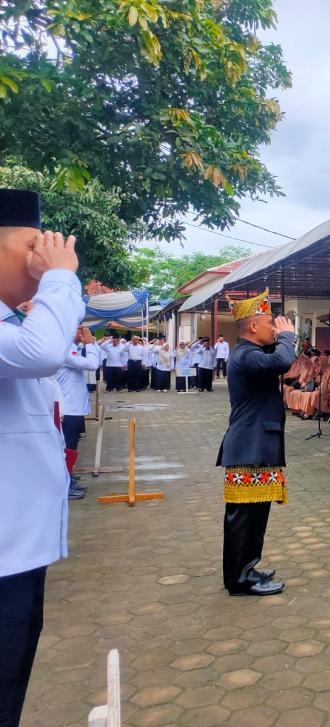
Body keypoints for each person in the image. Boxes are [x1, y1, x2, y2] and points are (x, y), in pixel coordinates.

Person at [0, 189, 83, 727]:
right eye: (33, 246)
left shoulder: (12, 324)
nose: (41, 260)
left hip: (19, 549)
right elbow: (46, 353)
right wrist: (59, 277)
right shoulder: (24, 333)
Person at [217, 289, 295, 597]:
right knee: (243, 518)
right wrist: (288, 336)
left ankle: (247, 569)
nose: (274, 328)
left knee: (255, 516)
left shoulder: (250, 353)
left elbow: (279, 356)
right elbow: (284, 359)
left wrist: (282, 338)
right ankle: (239, 580)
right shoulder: (247, 355)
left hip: (256, 445)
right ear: (252, 327)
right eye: (269, 322)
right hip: (249, 446)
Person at [56, 326, 101, 499]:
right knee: (67, 447)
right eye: (78, 330)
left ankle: (68, 477)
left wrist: (89, 344)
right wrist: (89, 343)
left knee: (71, 446)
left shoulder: (73, 348)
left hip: (73, 407)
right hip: (67, 408)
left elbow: (95, 358)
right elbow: (92, 364)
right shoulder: (65, 349)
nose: (82, 333)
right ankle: (64, 486)